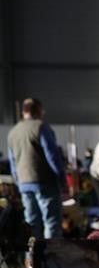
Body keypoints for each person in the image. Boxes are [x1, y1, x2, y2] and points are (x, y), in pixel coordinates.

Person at [5, 98, 66, 239]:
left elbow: (13, 162)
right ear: (39, 110)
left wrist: (18, 181)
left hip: (24, 184)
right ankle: (50, 258)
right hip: (44, 182)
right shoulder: (41, 127)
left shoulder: (13, 132)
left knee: (31, 224)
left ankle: (32, 258)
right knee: (51, 222)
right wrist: (62, 179)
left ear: (23, 111)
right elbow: (52, 156)